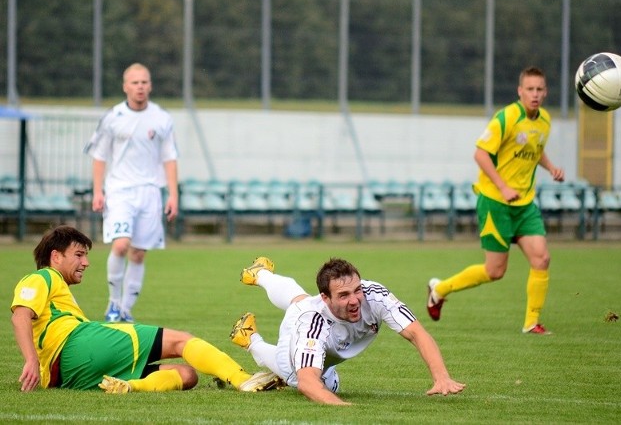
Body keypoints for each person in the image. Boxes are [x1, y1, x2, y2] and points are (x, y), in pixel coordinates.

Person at [10, 225, 282, 393]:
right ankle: (242, 378)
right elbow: (20, 314)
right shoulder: (43, 276)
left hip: (67, 377)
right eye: (79, 255)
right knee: (181, 340)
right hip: (75, 345)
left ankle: (130, 387)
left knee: (186, 376)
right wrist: (31, 359)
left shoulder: (58, 292)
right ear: (55, 256)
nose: (86, 263)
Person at [426, 66, 565, 335]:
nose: (535, 94)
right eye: (530, 89)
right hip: (495, 202)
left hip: (524, 205)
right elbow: (480, 154)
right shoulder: (507, 117)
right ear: (520, 91)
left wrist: (552, 168)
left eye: (539, 89)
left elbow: (535, 151)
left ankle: (531, 322)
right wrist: (502, 187)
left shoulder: (544, 120)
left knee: (542, 259)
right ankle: (440, 289)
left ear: (545, 92)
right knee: (495, 271)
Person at [229, 256, 466, 405]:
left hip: (310, 311)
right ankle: (250, 339)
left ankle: (260, 273)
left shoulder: (375, 295)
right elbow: (307, 382)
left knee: (300, 299)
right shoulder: (313, 324)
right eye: (343, 295)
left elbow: (417, 333)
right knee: (309, 380)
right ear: (325, 298)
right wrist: (342, 407)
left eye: (356, 290)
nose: (355, 300)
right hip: (296, 333)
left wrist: (442, 377)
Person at [85, 62, 179, 323]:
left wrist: (173, 195)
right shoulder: (113, 117)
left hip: (149, 192)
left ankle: (125, 310)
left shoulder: (161, 118)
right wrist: (97, 191)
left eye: (144, 82)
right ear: (126, 86)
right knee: (121, 244)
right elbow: (99, 156)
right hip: (120, 190)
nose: (140, 87)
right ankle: (113, 304)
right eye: (135, 82)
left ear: (150, 86)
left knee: (138, 252)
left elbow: (170, 157)